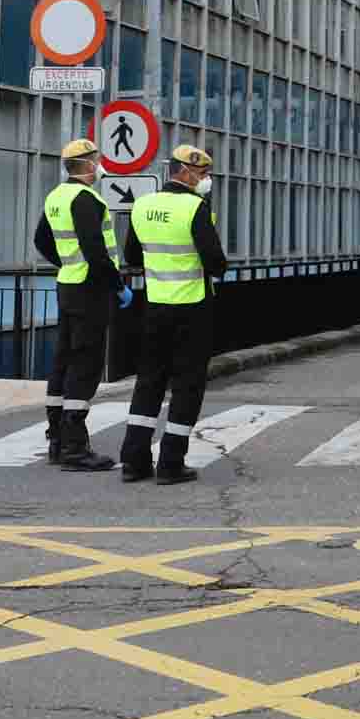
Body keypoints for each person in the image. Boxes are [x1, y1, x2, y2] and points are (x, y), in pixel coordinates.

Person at [118, 144, 226, 485]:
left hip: (153, 307)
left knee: (149, 382)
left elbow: (132, 254)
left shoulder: (143, 204)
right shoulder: (196, 208)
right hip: (191, 309)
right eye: (203, 174)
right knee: (187, 386)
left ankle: (134, 461)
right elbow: (215, 262)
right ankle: (170, 463)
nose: (206, 180)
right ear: (185, 172)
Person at [34, 137, 123, 472]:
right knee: (85, 364)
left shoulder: (57, 196)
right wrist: (117, 285)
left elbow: (41, 239)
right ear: (87, 165)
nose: (99, 164)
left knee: (63, 360)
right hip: (89, 290)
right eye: (96, 159)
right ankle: (74, 446)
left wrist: (66, 263)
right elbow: (96, 249)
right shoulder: (87, 199)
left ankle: (57, 438)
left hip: (68, 285)